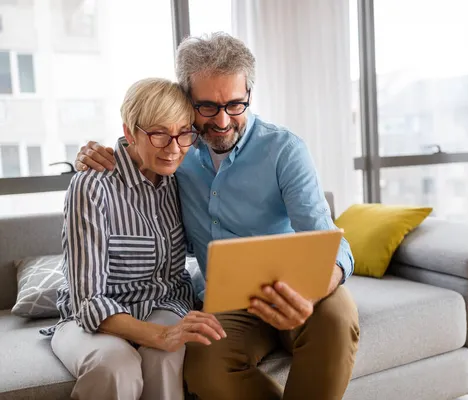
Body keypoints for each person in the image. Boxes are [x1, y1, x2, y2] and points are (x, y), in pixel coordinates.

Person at [75, 33, 360, 400]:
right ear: (186, 101)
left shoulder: (284, 150)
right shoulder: (177, 155)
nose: (223, 121)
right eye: (207, 107)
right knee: (205, 368)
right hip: (227, 303)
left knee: (337, 316)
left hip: (297, 289)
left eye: (235, 105)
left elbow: (333, 245)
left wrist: (313, 294)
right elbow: (138, 145)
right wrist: (91, 154)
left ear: (249, 97)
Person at [41, 78, 226, 400]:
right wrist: (161, 334)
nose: (173, 148)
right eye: (158, 134)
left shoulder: (181, 178)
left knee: (165, 358)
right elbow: (88, 302)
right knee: (115, 365)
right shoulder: (93, 186)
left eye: (184, 132)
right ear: (129, 133)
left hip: (164, 303)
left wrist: (168, 335)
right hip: (92, 318)